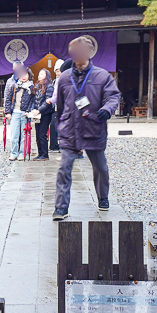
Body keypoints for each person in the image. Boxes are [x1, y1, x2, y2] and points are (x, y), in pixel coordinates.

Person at [53, 36, 120, 220]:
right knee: (64, 169)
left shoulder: (102, 76)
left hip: (93, 127)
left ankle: (103, 197)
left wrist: (107, 109)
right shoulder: (65, 77)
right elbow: (61, 104)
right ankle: (61, 207)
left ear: (90, 52)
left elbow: (113, 96)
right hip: (70, 130)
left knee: (100, 167)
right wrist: (61, 124)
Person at [3, 62, 36, 161]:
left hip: (25, 114)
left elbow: (33, 101)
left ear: (29, 75)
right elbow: (8, 98)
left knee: (24, 136)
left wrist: (29, 111)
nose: (23, 77)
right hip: (15, 113)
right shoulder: (14, 85)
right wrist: (7, 112)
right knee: (14, 135)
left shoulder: (32, 87)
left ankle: (22, 153)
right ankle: (14, 153)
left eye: (26, 74)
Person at [34, 68, 55, 160]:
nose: (39, 76)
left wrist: (39, 110)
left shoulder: (49, 87)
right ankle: (40, 153)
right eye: (39, 74)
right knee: (37, 135)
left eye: (42, 74)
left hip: (45, 114)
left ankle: (45, 154)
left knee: (42, 134)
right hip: (37, 114)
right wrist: (33, 110)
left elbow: (47, 102)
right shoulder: (37, 86)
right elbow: (34, 100)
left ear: (47, 76)